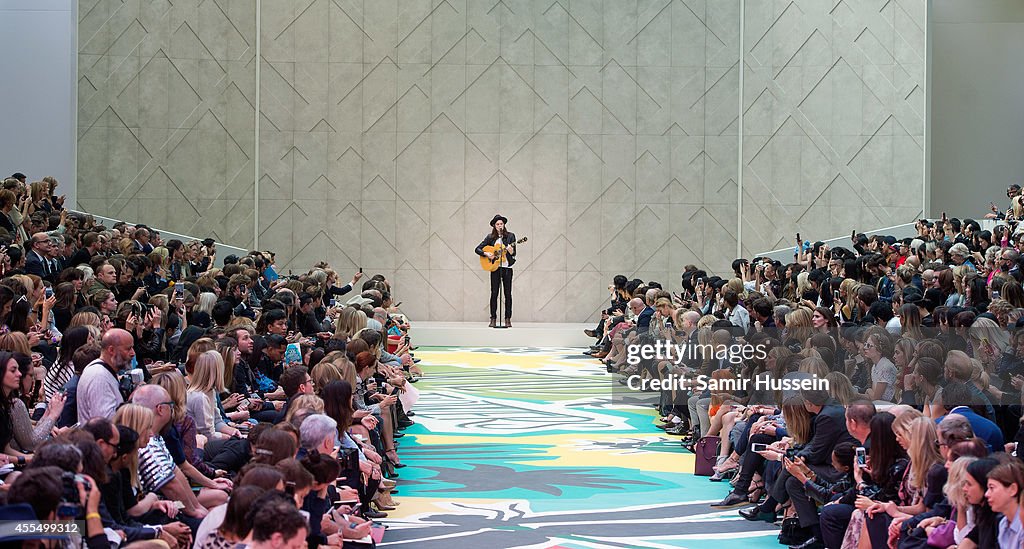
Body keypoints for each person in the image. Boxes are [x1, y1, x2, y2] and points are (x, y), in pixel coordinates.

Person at [77, 328, 135, 423]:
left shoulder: (105, 371)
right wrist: (133, 401)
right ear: (111, 350)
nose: (133, 353)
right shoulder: (98, 377)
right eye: (128, 349)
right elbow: (104, 423)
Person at [474, 214, 517, 328]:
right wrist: (486, 253)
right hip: (495, 268)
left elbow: (513, 253)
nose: (500, 226)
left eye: (501, 224)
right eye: (497, 224)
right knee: (494, 293)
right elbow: (477, 249)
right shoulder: (490, 238)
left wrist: (511, 250)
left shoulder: (510, 236)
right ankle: (493, 318)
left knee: (507, 294)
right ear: (494, 226)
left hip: (507, 268)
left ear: (504, 225)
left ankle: (507, 319)